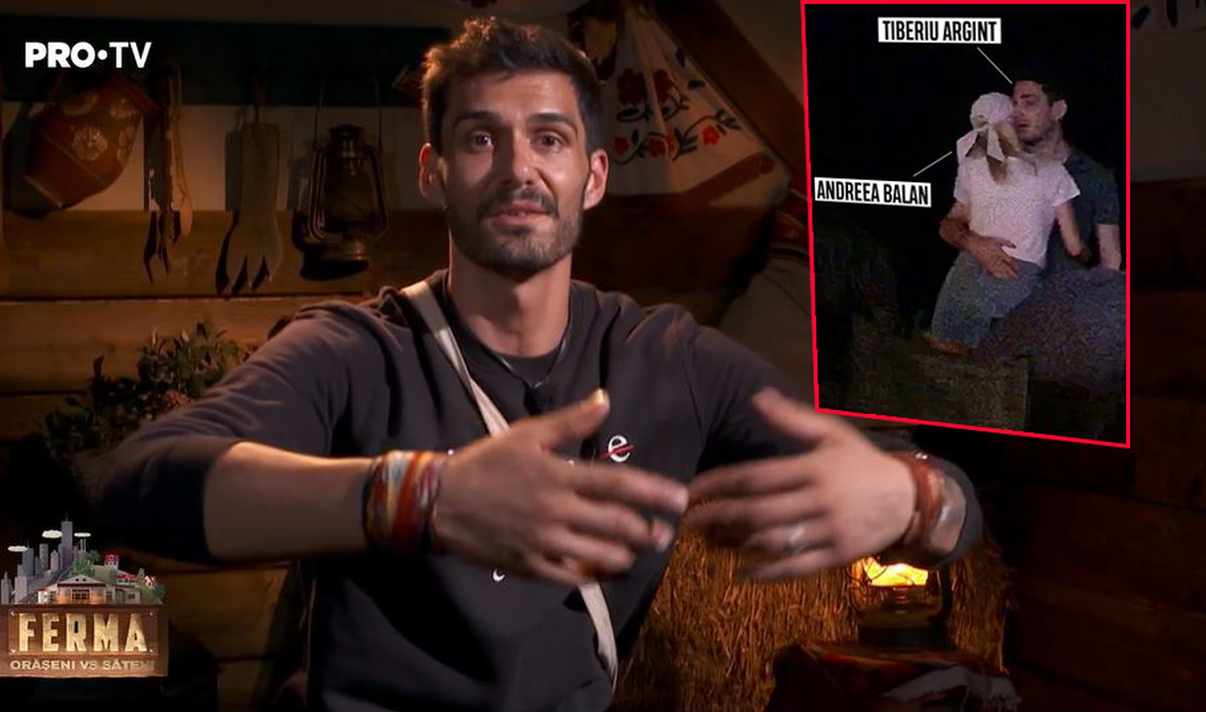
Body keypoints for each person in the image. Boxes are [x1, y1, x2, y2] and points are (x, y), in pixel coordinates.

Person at [100, 18, 982, 712]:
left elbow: (957, 507)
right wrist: (421, 498)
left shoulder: (668, 361)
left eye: (549, 139)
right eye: (481, 139)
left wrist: (913, 498)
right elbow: (138, 483)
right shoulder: (356, 349)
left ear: (592, 177)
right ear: (435, 173)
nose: (519, 168)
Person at [927, 92, 1088, 353]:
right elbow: (1074, 247)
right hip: (1017, 277)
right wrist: (1089, 259)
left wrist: (973, 243)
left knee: (945, 354)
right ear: (1012, 121)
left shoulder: (970, 168)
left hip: (964, 277)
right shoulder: (1052, 171)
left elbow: (949, 224)